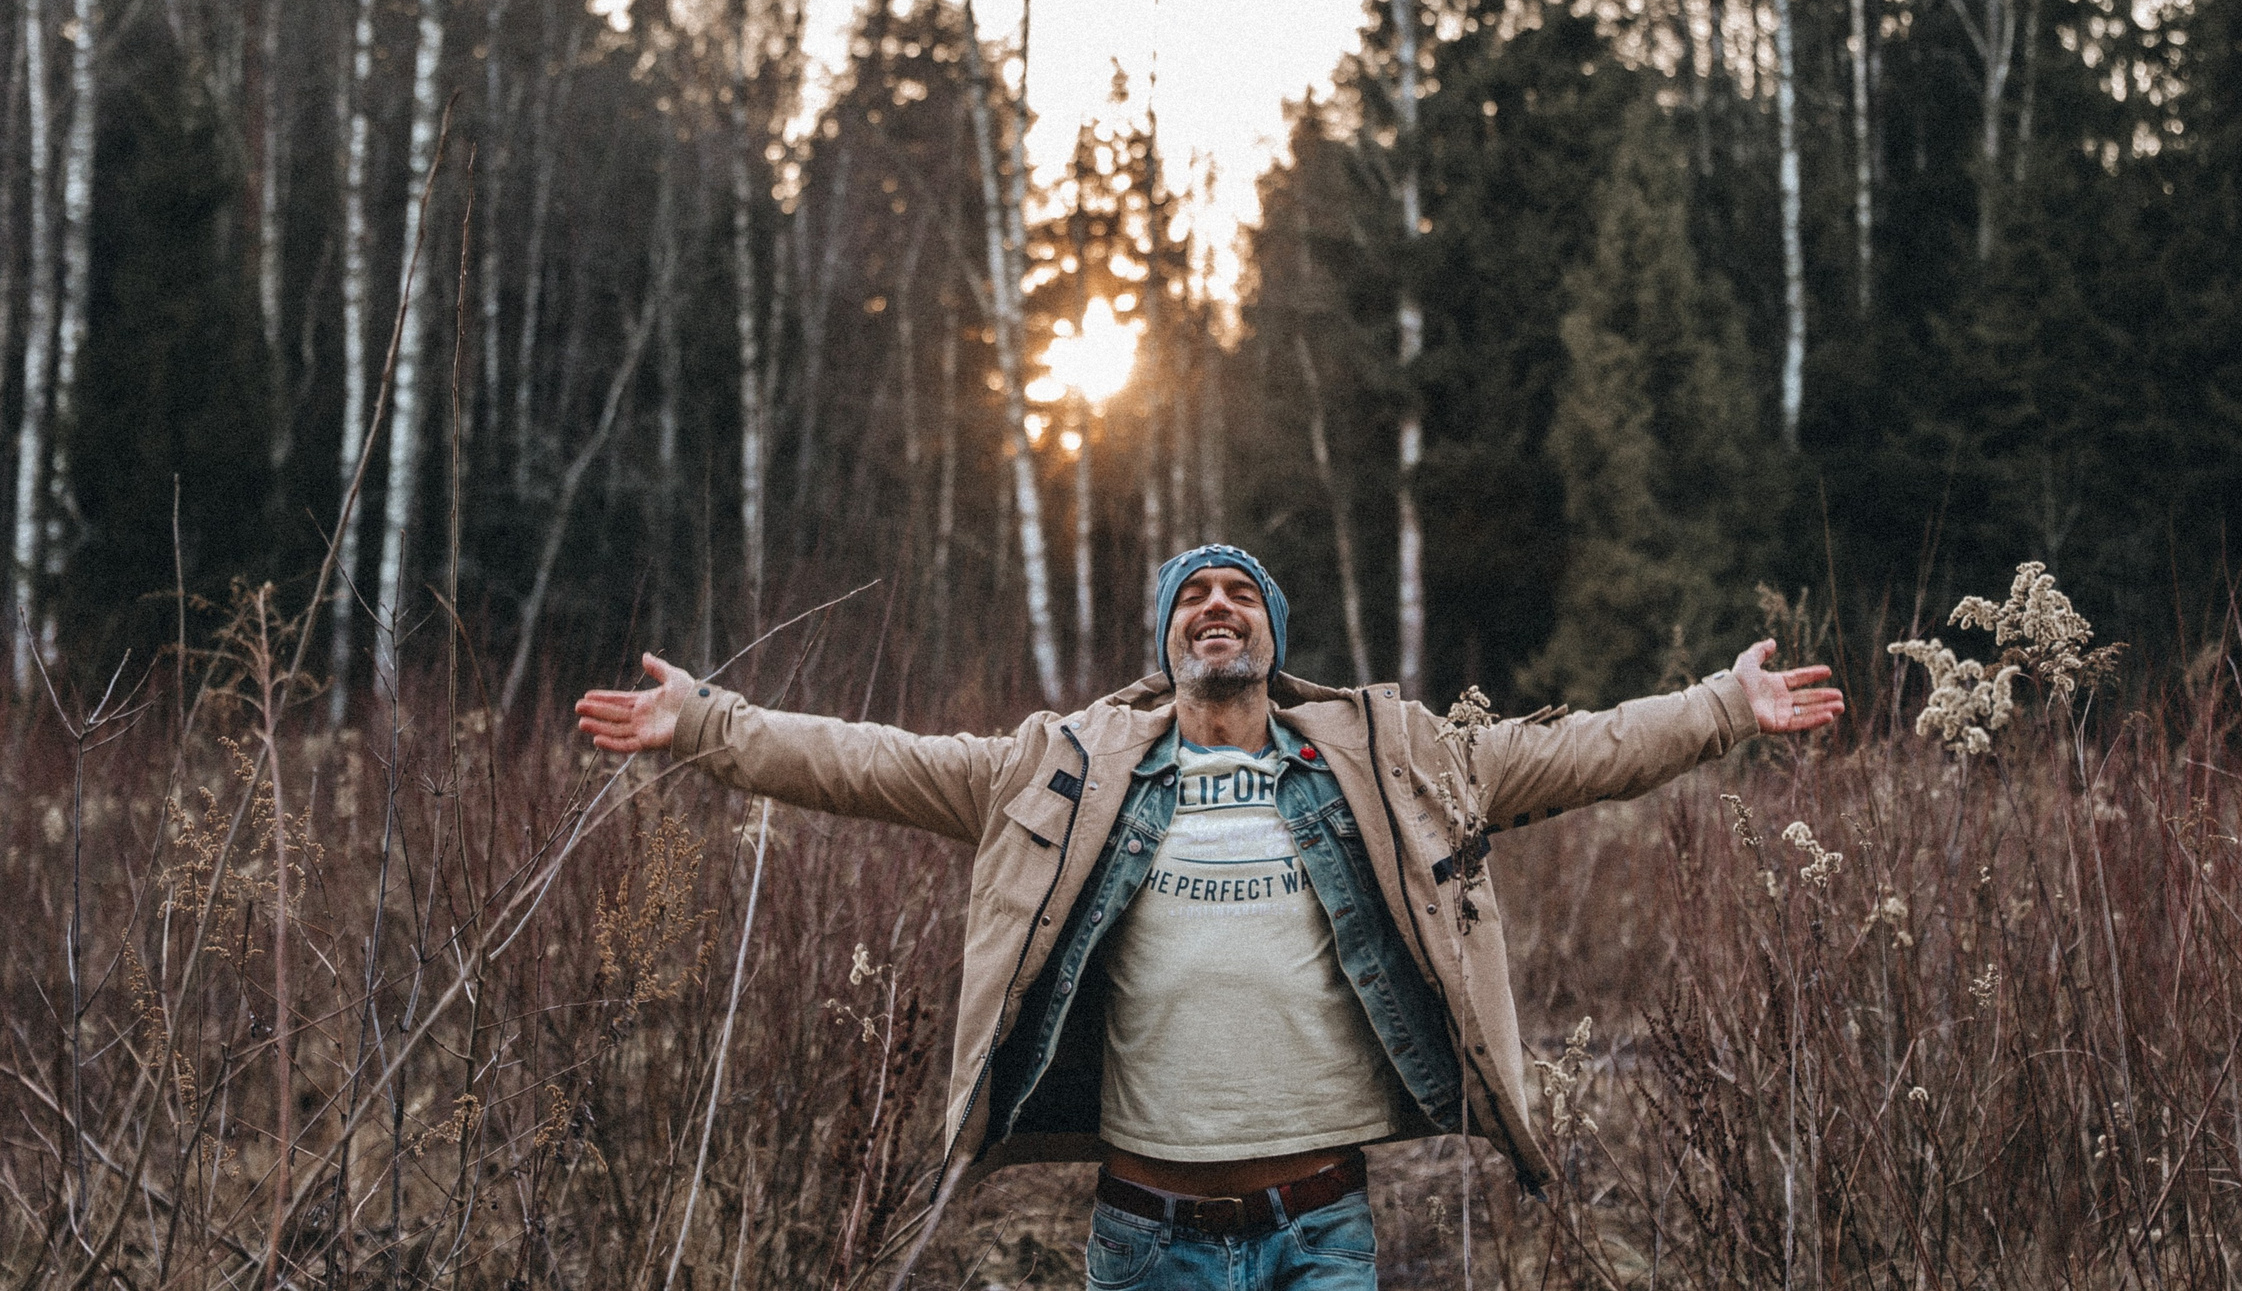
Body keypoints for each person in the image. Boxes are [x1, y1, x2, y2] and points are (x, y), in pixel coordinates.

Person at [576, 544, 1843, 1290]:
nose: (1217, 604)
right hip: (1146, 1234)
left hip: (1323, 1228)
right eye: (1194, 595)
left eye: (1240, 592)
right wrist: (709, 723)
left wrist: (1721, 707)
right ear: (1169, 638)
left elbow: (1581, 752)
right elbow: (870, 759)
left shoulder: (1392, 758)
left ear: (1272, 636)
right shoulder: (1061, 766)